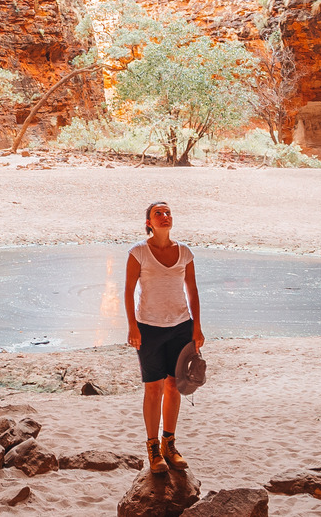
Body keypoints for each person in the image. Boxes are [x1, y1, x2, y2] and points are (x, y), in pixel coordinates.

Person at [125, 200, 204, 475]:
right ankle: (153, 448)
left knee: (174, 385)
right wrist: (132, 327)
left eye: (168, 212)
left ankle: (170, 444)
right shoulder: (138, 253)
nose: (164, 216)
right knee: (153, 388)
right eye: (158, 213)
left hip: (181, 326)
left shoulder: (184, 252)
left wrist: (197, 328)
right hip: (148, 328)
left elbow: (192, 290)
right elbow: (127, 292)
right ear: (148, 222)